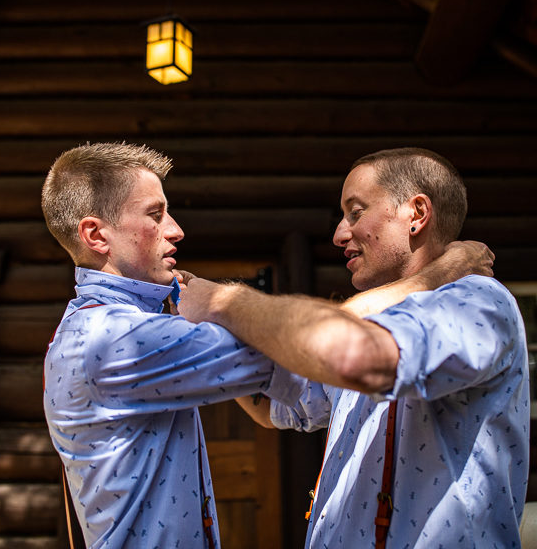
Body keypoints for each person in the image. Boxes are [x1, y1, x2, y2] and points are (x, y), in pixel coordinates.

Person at [40, 141, 495, 549]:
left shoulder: (121, 328)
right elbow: (318, 344)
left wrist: (217, 305)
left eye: (356, 212)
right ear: (97, 235)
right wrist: (434, 276)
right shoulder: (113, 339)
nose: (176, 230)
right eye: (156, 214)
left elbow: (285, 393)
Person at [178, 147, 530, 548]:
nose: (339, 234)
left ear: (416, 214)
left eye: (356, 212)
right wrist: (201, 325)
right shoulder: (375, 321)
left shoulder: (477, 302)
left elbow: (357, 353)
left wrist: (222, 302)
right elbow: (276, 405)